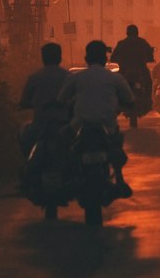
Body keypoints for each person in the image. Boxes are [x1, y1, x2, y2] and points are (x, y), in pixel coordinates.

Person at [59, 39, 139, 195]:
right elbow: (130, 99)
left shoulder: (77, 77)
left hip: (79, 125)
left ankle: (66, 177)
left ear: (87, 59)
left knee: (64, 143)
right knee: (116, 145)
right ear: (104, 59)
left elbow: (61, 98)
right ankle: (120, 179)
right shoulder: (114, 78)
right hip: (107, 126)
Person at [17, 41, 69, 155]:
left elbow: (24, 102)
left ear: (43, 58)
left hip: (40, 126)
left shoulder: (35, 78)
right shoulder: (68, 77)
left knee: (22, 136)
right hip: (63, 126)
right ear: (59, 58)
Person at [111, 23, 155, 114]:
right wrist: (150, 58)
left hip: (125, 69)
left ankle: (117, 103)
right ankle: (148, 101)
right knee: (149, 83)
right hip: (141, 69)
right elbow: (150, 55)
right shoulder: (142, 42)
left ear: (127, 33)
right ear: (137, 32)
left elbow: (113, 57)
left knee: (116, 84)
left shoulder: (121, 43)